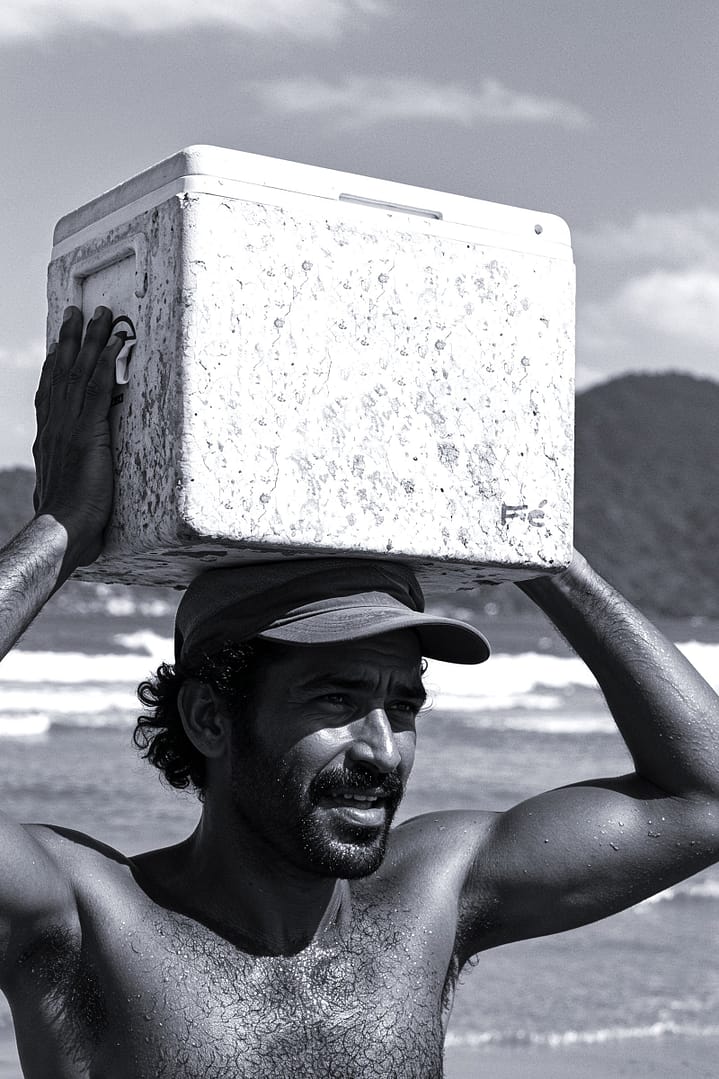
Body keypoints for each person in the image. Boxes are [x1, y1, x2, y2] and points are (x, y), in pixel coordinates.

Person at [0, 307, 717, 1079]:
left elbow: (703, 795)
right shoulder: (84, 919)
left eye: (403, 705)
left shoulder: (427, 898)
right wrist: (65, 527)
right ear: (210, 715)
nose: (382, 749)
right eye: (337, 700)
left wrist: (538, 550)